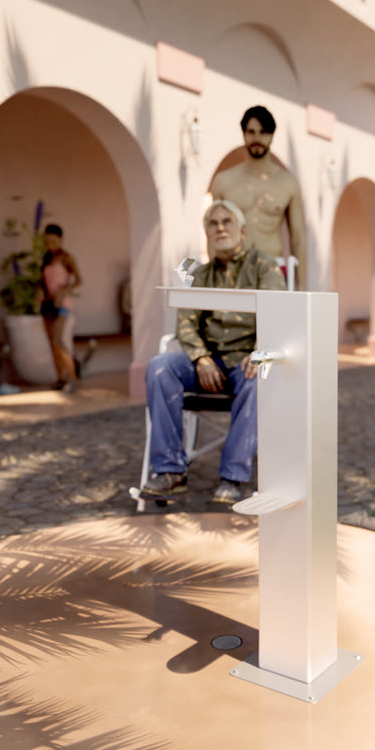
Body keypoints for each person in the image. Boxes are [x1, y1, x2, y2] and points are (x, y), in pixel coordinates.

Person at [140, 200, 285, 504]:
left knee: (260, 376)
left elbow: (279, 315)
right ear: (206, 232)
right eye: (213, 223)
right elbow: (186, 324)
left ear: (242, 231)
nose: (220, 228)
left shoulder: (264, 265)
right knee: (159, 366)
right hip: (208, 362)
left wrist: (259, 353)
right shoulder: (198, 273)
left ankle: (232, 476)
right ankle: (171, 471)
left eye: (227, 222)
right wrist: (201, 358)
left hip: (248, 361)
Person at [210, 105, 308, 290]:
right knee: (232, 320)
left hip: (272, 271)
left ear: (271, 136)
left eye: (263, 132)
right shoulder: (224, 181)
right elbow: (213, 234)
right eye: (251, 132)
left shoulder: (287, 183)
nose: (257, 138)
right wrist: (215, 283)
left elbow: (298, 237)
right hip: (233, 273)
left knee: (273, 320)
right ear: (244, 134)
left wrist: (301, 287)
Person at [38, 224, 82, 391]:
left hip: (61, 305)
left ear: (61, 240)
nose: (51, 245)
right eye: (48, 242)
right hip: (47, 305)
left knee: (58, 340)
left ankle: (72, 377)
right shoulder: (46, 259)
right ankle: (60, 378)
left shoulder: (66, 259)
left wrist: (64, 290)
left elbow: (78, 280)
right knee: (51, 343)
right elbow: (42, 281)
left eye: (54, 241)